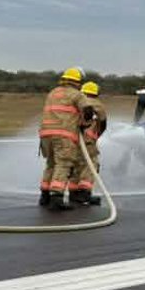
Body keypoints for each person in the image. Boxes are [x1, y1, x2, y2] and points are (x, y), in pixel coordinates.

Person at [39, 67, 95, 210]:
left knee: (51, 163)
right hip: (64, 134)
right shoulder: (77, 95)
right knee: (63, 164)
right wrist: (85, 123)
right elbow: (88, 110)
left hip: (45, 134)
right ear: (78, 81)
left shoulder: (53, 93)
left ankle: (44, 196)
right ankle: (56, 198)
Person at [71, 80, 108, 206]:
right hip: (87, 142)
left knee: (75, 165)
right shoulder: (97, 104)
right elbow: (103, 123)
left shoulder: (75, 103)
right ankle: (84, 194)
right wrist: (95, 136)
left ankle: (73, 193)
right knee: (91, 165)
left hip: (71, 140)